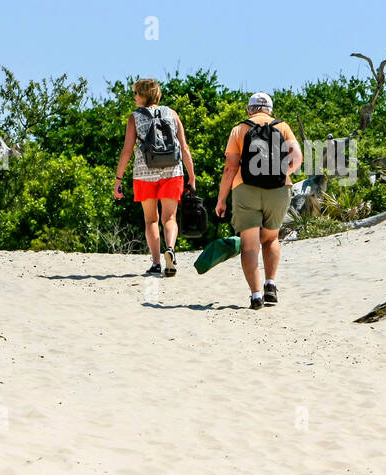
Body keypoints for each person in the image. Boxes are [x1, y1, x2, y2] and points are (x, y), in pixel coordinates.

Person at [215, 92, 303, 309]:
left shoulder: (239, 129)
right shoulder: (282, 127)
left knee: (249, 244)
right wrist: (283, 171)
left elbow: (230, 168)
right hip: (279, 189)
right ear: (270, 110)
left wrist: (221, 199)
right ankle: (270, 285)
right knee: (271, 239)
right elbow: (298, 157)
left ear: (249, 109)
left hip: (246, 189)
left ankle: (256, 296)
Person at [114, 78, 196, 276]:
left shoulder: (134, 117)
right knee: (170, 217)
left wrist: (118, 178)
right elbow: (184, 147)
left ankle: (157, 263)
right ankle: (170, 249)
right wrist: (192, 176)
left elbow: (127, 151)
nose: (134, 97)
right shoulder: (171, 113)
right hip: (172, 171)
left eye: (136, 93)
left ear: (143, 95)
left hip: (144, 173)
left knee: (151, 219)